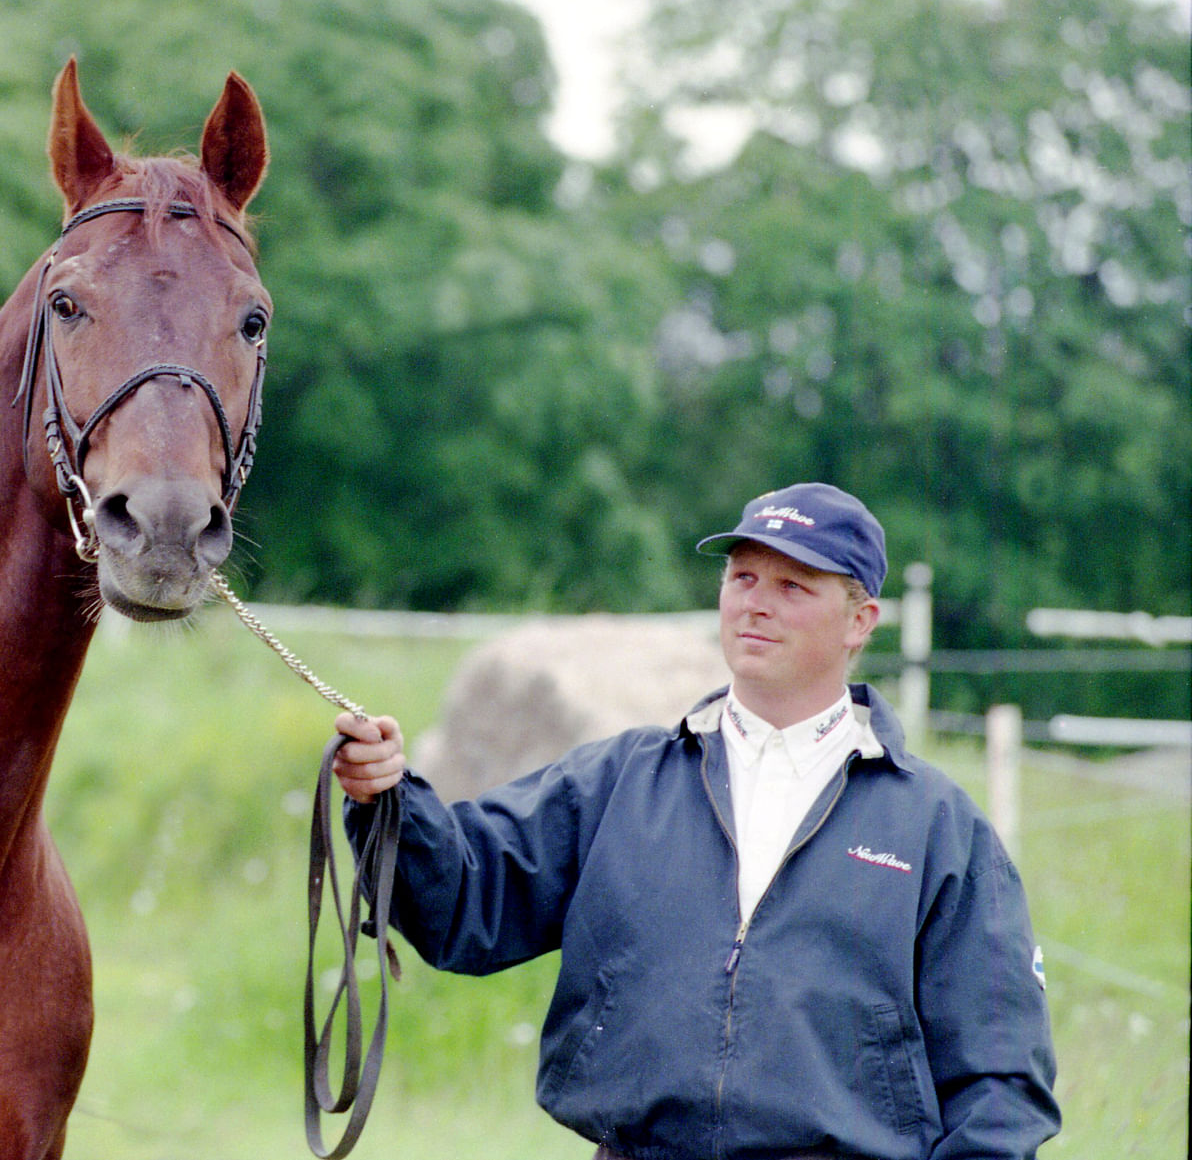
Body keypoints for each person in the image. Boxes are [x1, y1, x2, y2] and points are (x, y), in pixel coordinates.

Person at [333, 483, 1059, 1160]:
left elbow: (1002, 1080)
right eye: (742, 577)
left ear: (860, 621)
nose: (756, 604)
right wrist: (390, 798)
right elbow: (467, 899)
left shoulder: (938, 826)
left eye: (792, 586)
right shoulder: (620, 780)